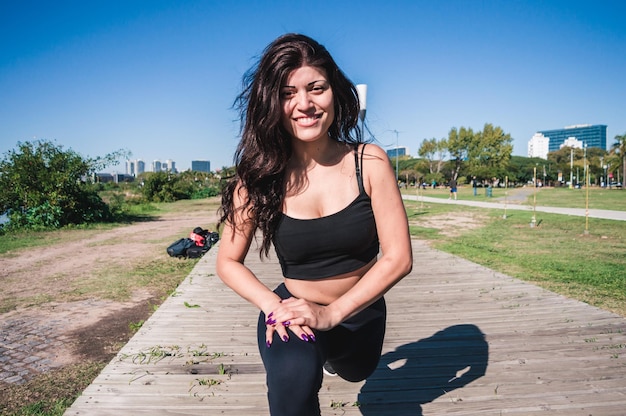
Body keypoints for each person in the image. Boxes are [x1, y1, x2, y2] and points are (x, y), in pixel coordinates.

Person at [216, 33, 413, 416]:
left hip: (360, 314)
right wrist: (275, 307)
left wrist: (330, 315)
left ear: (334, 92)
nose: (304, 104)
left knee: (358, 372)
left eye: (316, 88)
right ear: (271, 103)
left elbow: (399, 258)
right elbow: (227, 261)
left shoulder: (368, 163)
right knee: (292, 382)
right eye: (288, 93)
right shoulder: (259, 178)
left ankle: (336, 357)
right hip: (293, 310)